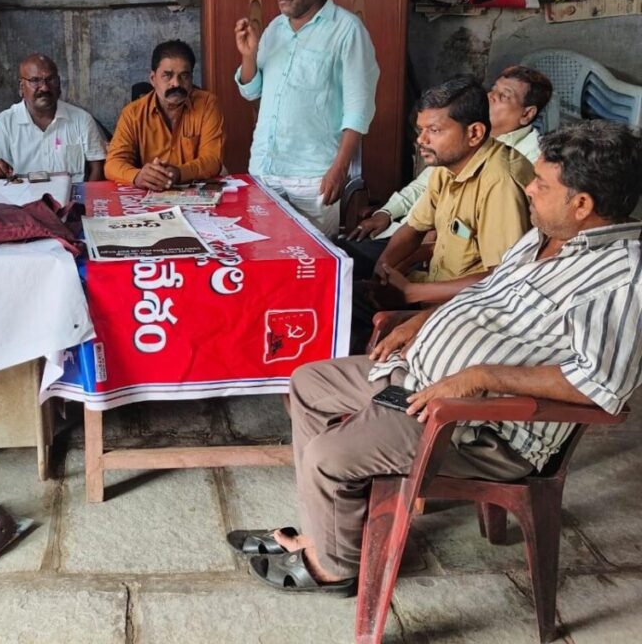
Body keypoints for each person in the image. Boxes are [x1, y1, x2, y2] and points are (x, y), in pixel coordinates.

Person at [237, 119, 642, 595]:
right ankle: (329, 529)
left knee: (329, 456)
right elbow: (488, 291)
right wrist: (422, 319)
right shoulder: (546, 235)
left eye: (541, 184)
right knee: (308, 383)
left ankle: (335, 566)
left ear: (582, 204)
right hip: (419, 376)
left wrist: (478, 377)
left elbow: (601, 387)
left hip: (479, 427)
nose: (529, 189)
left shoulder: (623, 278)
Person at [343, 65, 553, 276]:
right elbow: (417, 220)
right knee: (340, 263)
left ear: (527, 114)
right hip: (428, 258)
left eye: (503, 96)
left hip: (462, 291)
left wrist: (410, 290)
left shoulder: (511, 171)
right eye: (493, 89)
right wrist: (384, 261)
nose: (491, 97)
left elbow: (500, 275)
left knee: (345, 274)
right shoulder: (453, 155)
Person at [235, 0, 379, 236]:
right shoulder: (275, 28)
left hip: (313, 177)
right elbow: (251, 90)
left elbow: (359, 109)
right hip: (264, 168)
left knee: (308, 267)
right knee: (262, 257)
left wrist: (339, 170)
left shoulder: (347, 30)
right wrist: (248, 56)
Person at [370, 77, 535, 309]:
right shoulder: (447, 166)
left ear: (475, 133)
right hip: (432, 289)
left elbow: (503, 276)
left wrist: (411, 292)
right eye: (421, 130)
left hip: (466, 309)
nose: (421, 140)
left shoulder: (500, 182)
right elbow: (415, 227)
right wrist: (384, 266)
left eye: (434, 130)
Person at [105, 40, 224, 189]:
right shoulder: (133, 113)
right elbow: (113, 163)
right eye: (167, 76)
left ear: (191, 78)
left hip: (194, 190)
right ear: (153, 79)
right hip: (150, 192)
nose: (176, 84)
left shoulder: (207, 105)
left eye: (184, 76)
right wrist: (137, 176)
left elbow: (212, 160)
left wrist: (179, 173)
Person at [0, 54, 107, 182]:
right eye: (35, 80)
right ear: (22, 87)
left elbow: (97, 169)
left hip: (72, 200)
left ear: (59, 84)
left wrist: (85, 200)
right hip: (21, 200)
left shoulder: (82, 120)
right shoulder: (3, 123)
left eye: (51, 80)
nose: (44, 87)